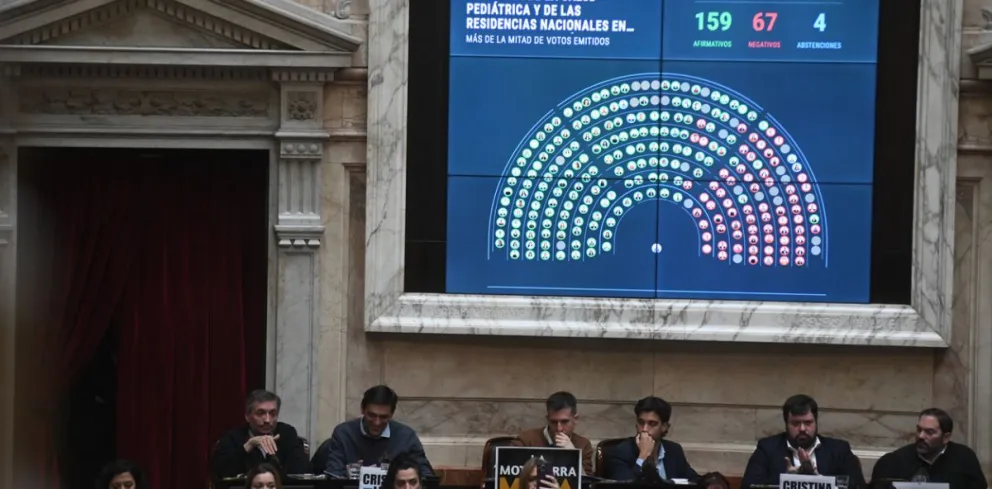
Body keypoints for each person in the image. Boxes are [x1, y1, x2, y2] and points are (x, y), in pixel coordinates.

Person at [741, 394, 864, 489]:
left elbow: (857, 486)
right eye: (795, 423)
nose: (802, 429)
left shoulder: (839, 450)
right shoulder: (767, 449)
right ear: (786, 424)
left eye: (808, 423)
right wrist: (786, 479)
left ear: (815, 422)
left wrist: (817, 478)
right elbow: (749, 486)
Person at [317, 385, 434, 477]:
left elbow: (426, 477)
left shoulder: (406, 437)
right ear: (363, 409)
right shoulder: (343, 434)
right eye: (371, 415)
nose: (377, 422)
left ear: (391, 414)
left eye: (383, 417)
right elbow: (334, 476)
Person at [870, 408, 987, 489]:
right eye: (919, 430)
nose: (921, 436)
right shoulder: (893, 461)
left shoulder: (964, 459)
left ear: (946, 437)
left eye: (929, 432)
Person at [212, 390, 309, 478]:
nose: (267, 420)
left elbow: (301, 471)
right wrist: (247, 447)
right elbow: (220, 473)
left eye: (272, 414)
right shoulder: (232, 438)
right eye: (260, 413)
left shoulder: (286, 433)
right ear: (247, 416)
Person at [604, 396, 699, 481]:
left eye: (652, 424)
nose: (645, 429)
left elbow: (695, 481)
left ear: (664, 427)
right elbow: (626, 487)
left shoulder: (674, 450)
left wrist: (711, 481)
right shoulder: (620, 452)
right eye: (641, 422)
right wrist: (643, 456)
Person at [511, 392, 594, 475]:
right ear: (547, 419)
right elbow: (507, 467)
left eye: (564, 421)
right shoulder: (526, 440)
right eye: (553, 422)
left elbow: (586, 482)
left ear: (575, 419)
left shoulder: (583, 445)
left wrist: (573, 455)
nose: (559, 428)